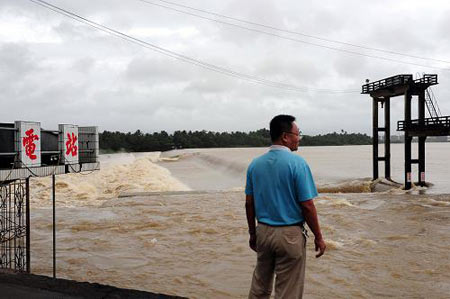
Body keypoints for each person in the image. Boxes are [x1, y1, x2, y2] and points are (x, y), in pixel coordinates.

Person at [245, 114, 326, 299]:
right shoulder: (298, 164)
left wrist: (253, 233)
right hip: (290, 235)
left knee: (260, 287)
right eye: (297, 134)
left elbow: (249, 203)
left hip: (263, 232)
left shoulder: (255, 165)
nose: (299, 139)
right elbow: (307, 205)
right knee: (288, 291)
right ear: (285, 136)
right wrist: (319, 237)